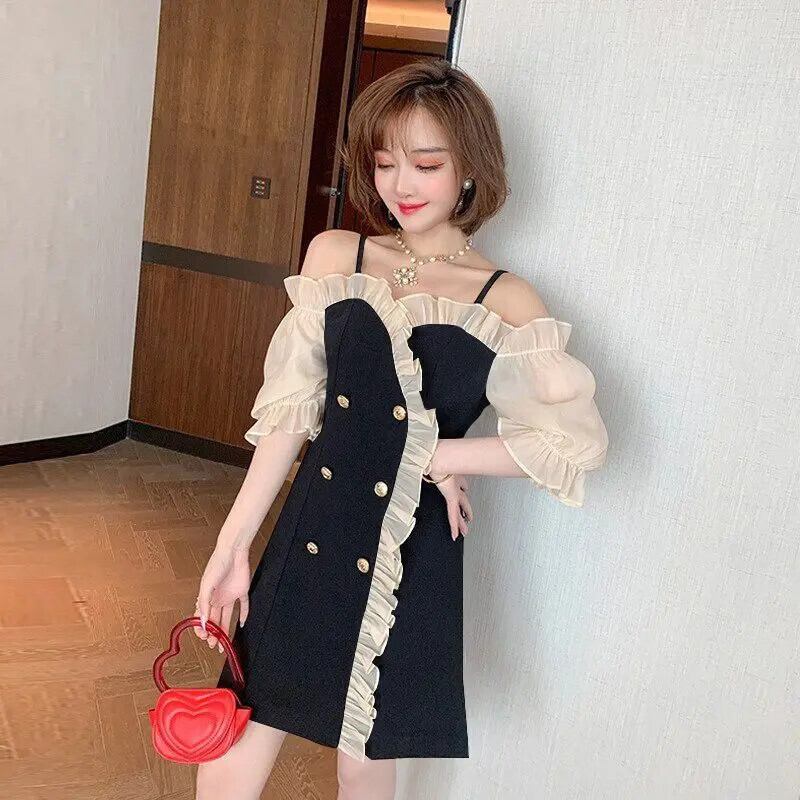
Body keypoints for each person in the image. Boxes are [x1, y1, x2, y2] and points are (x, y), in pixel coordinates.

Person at [192, 59, 609, 800]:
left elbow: (571, 444)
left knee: (366, 757)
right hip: (317, 522)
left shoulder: (504, 298)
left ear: (471, 168)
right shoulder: (337, 255)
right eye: (385, 162)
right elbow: (290, 414)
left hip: (412, 549)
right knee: (239, 736)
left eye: (426, 164)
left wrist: (440, 455)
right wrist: (233, 545)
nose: (400, 185)